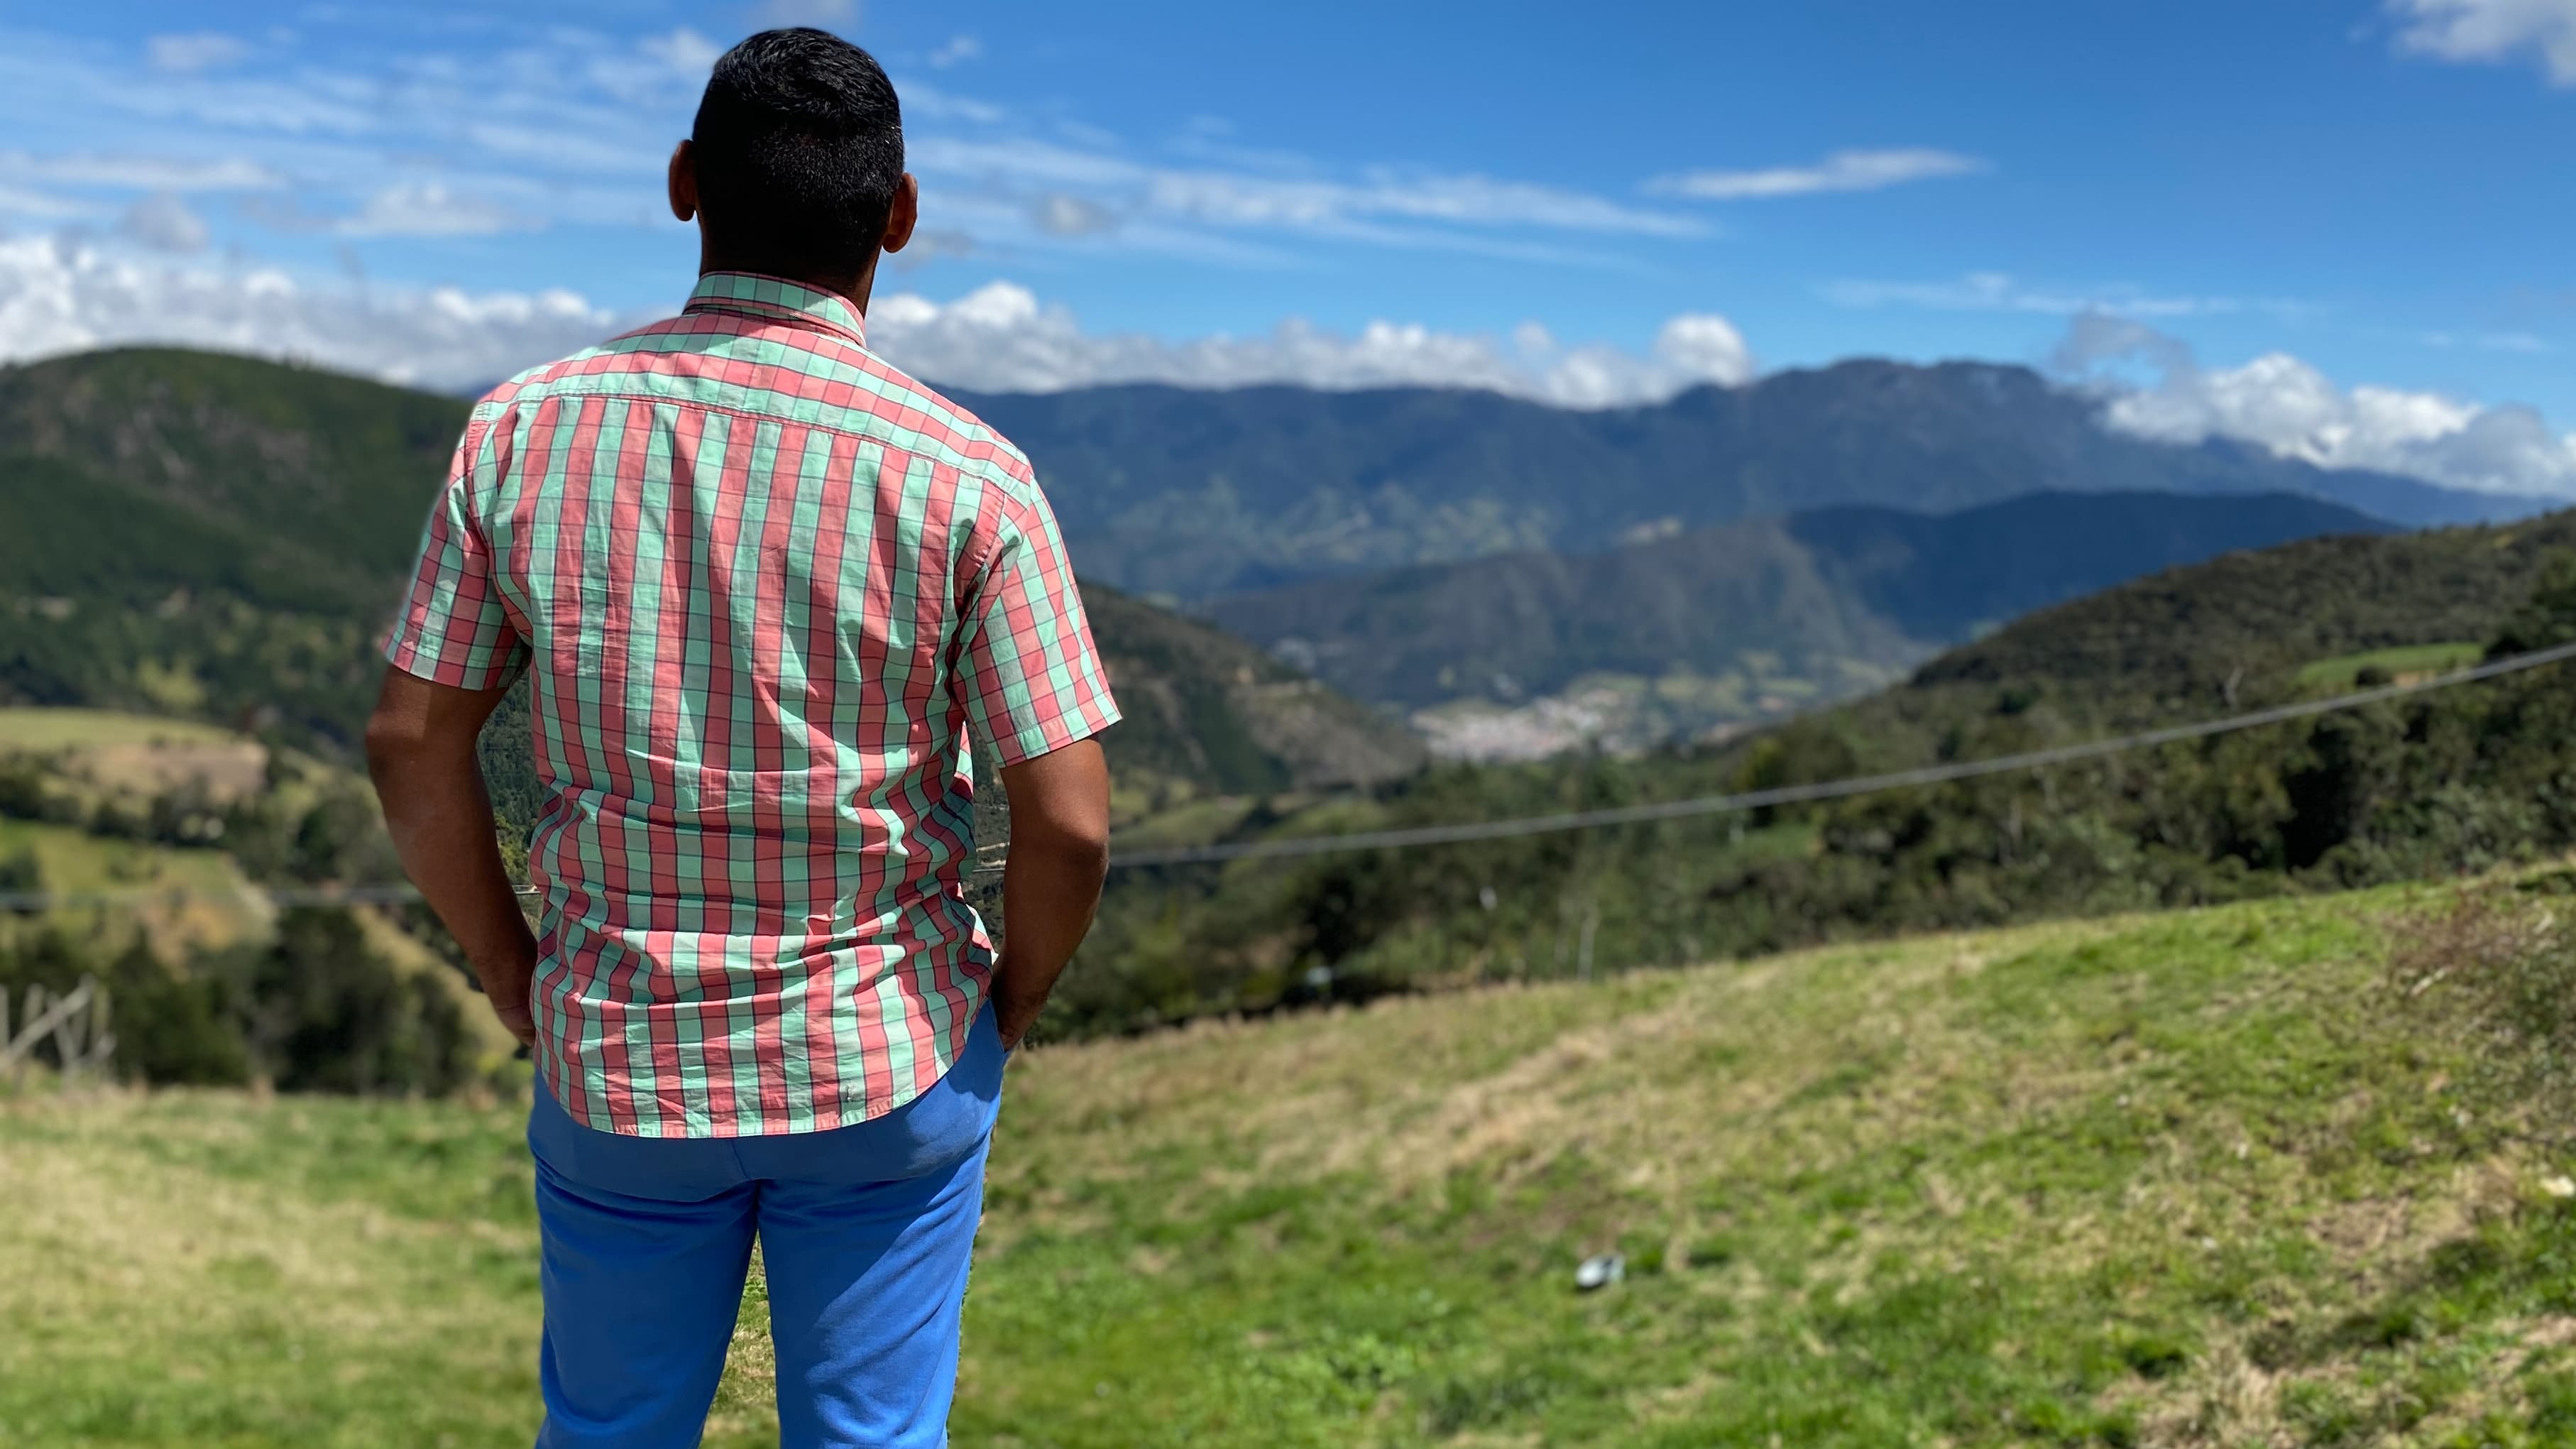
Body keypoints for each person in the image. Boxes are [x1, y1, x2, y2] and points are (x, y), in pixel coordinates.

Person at [363, 28, 1119, 1448]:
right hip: (887, 1059)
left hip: (619, 1056)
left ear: (684, 185)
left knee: (611, 1427)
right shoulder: (972, 476)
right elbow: (1070, 817)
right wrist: (1006, 1000)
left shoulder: (519, 435)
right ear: (899, 215)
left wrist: (515, 973)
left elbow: (413, 739)